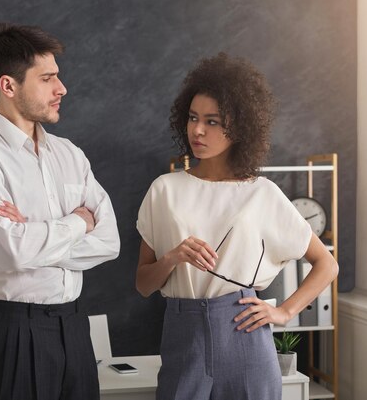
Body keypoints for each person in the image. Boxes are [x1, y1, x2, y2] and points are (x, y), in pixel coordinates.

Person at [135, 53, 338, 400]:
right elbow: (142, 285)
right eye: (193, 117)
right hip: (183, 337)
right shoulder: (164, 190)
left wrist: (283, 312)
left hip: (243, 333)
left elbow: (327, 264)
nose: (198, 129)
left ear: (239, 127)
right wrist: (171, 259)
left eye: (212, 121)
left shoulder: (261, 194)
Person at [0, 23, 120, 400]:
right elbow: (12, 251)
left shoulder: (70, 155)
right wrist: (78, 221)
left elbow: (109, 242)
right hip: (11, 334)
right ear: (9, 86)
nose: (62, 89)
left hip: (74, 328)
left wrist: (35, 235)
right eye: (48, 79)